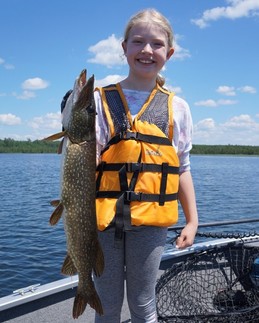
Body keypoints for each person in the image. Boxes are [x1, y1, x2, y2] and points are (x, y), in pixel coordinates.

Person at [93, 8, 198, 323]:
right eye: (138, 42)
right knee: (106, 305)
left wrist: (192, 221)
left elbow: (182, 167)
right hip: (103, 223)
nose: (147, 50)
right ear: (124, 48)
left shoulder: (177, 107)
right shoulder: (99, 101)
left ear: (170, 53)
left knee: (143, 304)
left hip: (151, 226)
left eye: (156, 44)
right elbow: (83, 160)